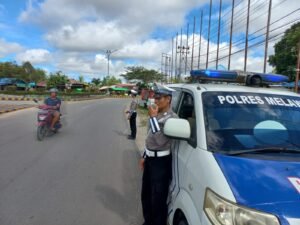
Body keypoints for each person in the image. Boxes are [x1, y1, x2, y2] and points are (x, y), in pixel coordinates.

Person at [139, 83, 177, 225]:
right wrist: (144, 156)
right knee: (146, 194)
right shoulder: (157, 114)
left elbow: (161, 141)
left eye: (159, 98)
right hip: (150, 159)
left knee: (158, 199)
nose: (155, 101)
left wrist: (153, 118)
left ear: (168, 99)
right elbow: (150, 137)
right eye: (155, 98)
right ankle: (148, 221)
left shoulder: (172, 118)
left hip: (161, 162)